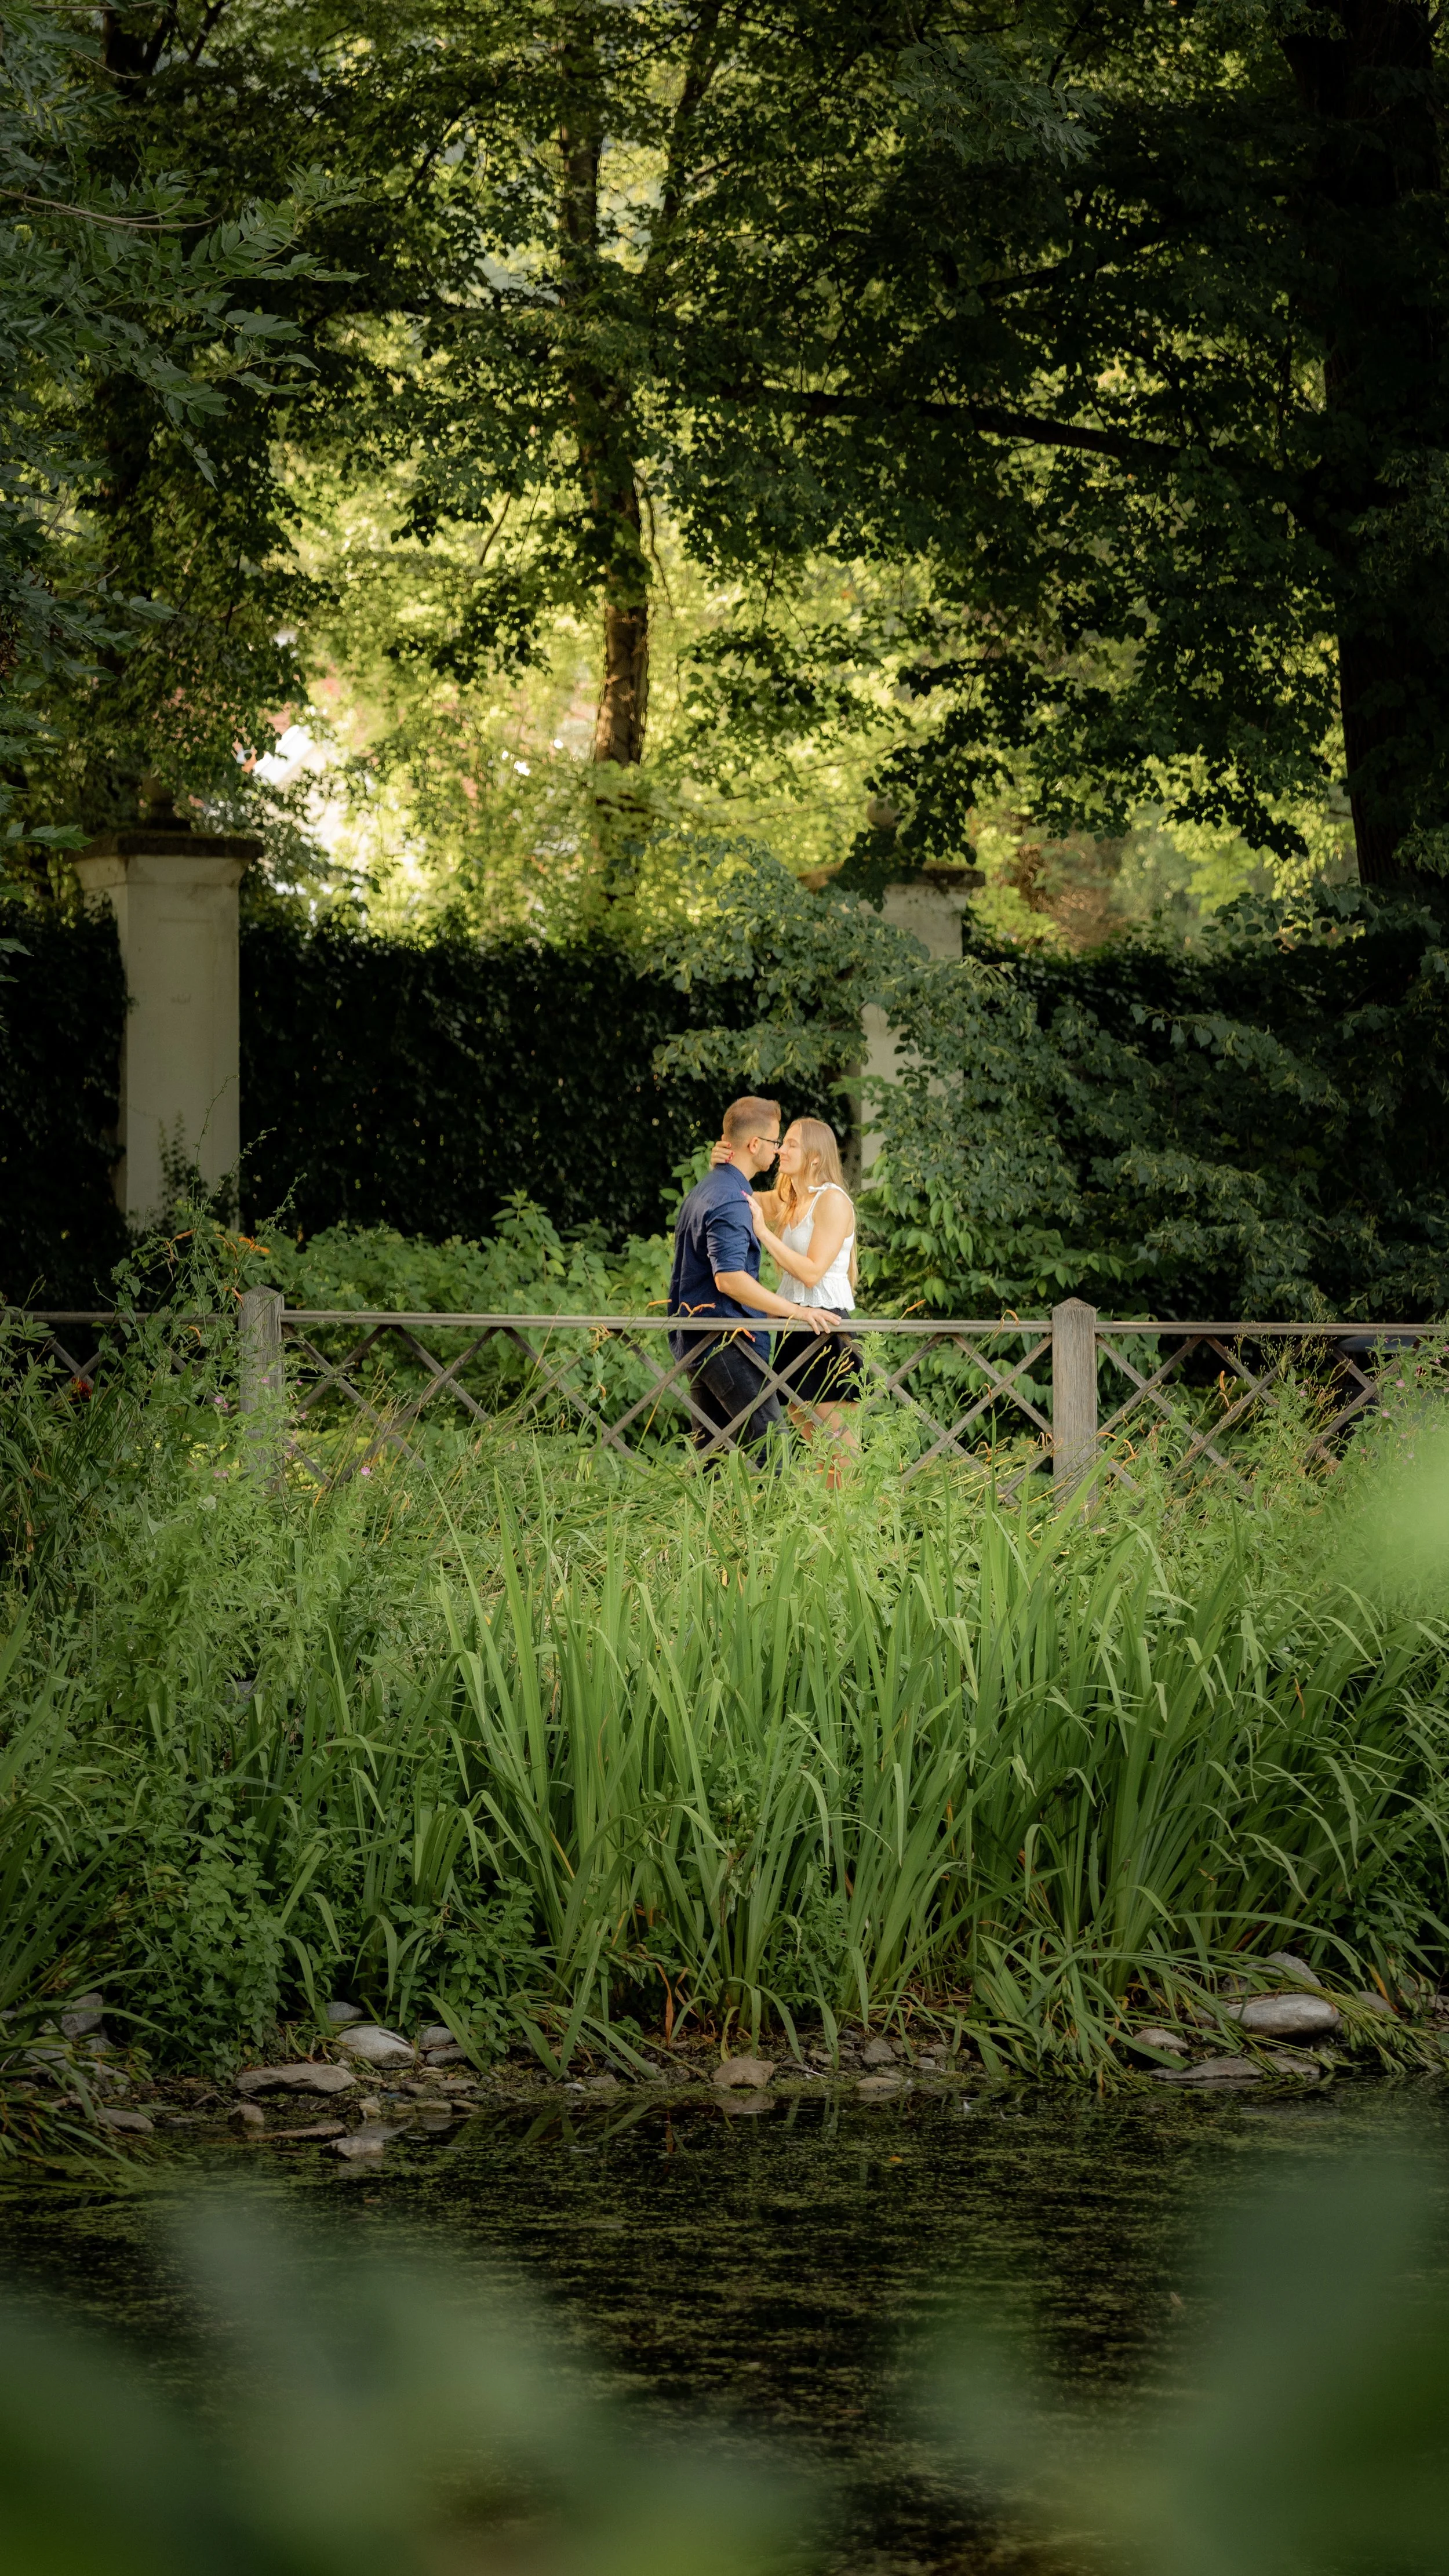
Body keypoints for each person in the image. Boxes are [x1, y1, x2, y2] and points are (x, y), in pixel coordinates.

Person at [667, 1097, 836, 1463]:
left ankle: (713, 1522)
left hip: (702, 1340)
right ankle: (774, 1521)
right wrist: (795, 1311)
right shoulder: (729, 1198)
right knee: (773, 1454)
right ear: (754, 1145)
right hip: (727, 1342)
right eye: (776, 1142)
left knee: (711, 1459)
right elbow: (730, 1279)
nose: (778, 1152)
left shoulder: (711, 1189)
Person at [716, 1116, 862, 1477]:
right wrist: (721, 1161)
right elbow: (739, 1192)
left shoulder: (832, 1201)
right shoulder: (789, 1199)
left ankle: (861, 1526)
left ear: (815, 1156)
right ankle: (824, 1529)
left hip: (826, 1328)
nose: (780, 1149)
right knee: (814, 1446)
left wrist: (765, 1234)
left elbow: (813, 1272)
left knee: (840, 1451)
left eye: (792, 1144)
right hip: (791, 1327)